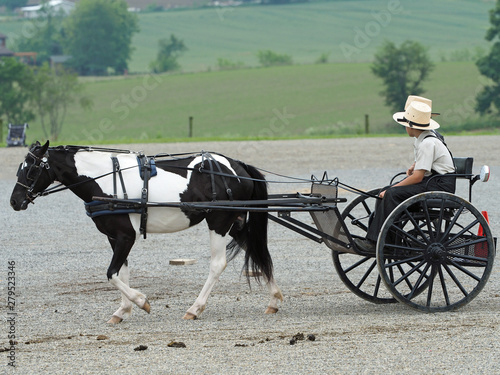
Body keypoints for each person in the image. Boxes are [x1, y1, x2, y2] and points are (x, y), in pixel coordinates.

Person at [354, 96, 456, 253]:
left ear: (411, 126)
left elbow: (418, 177)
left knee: (392, 193)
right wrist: (415, 167)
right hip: (433, 180)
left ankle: (376, 241)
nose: (405, 128)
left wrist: (393, 188)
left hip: (439, 185)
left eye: (405, 125)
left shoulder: (428, 142)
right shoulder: (425, 139)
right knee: (386, 191)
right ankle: (386, 238)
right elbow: (427, 165)